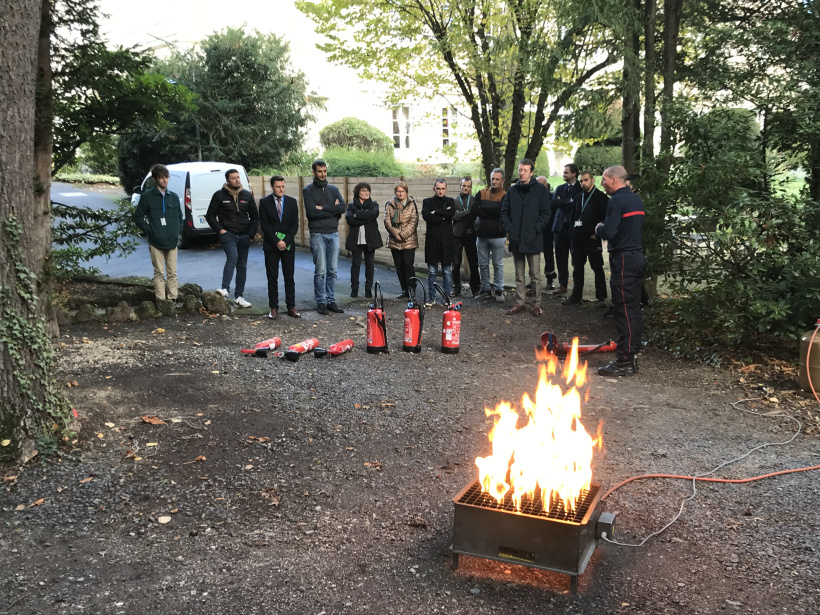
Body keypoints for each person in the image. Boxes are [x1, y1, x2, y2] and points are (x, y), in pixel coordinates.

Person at [595, 165, 646, 376]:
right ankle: (632, 355)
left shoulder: (615, 201)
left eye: (604, 180)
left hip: (623, 258)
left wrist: (599, 228)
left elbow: (610, 231)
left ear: (614, 180)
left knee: (623, 309)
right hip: (637, 256)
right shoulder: (636, 199)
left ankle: (624, 360)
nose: (602, 183)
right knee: (633, 308)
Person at [501, 159, 551, 317]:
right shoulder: (512, 190)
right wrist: (510, 228)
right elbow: (504, 211)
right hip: (517, 237)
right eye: (520, 170)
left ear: (531, 172)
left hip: (533, 238)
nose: (521, 173)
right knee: (519, 273)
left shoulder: (540, 191)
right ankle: (520, 302)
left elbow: (545, 213)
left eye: (525, 170)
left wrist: (536, 228)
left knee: (535, 275)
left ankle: (537, 304)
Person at [206, 168, 258, 308]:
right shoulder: (219, 195)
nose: (237, 180)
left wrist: (251, 234)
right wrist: (220, 230)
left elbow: (255, 217)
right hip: (228, 234)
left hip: (244, 235)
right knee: (232, 257)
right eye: (233, 178)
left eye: (238, 177)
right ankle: (225, 289)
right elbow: (210, 215)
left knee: (242, 266)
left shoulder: (247, 196)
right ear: (227, 180)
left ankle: (239, 296)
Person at [133, 164, 183, 303]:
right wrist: (150, 230)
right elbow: (138, 217)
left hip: (172, 241)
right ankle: (160, 300)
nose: (165, 180)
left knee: (172, 272)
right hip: (155, 241)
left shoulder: (173, 197)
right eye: (161, 178)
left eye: (166, 177)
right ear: (155, 179)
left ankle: (173, 298)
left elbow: (180, 217)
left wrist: (178, 231)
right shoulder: (147, 196)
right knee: (159, 272)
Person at [303, 159, 346, 315]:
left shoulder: (333, 189)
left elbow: (342, 207)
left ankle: (331, 301)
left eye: (325, 171)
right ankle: (321, 302)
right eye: (319, 171)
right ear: (314, 172)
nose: (323, 174)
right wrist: (332, 210)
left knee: (333, 270)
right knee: (320, 270)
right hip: (317, 234)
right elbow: (311, 213)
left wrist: (323, 208)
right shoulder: (307, 190)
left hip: (333, 233)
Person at [562, 171, 609, 307]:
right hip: (577, 239)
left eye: (586, 180)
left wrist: (597, 234)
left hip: (592, 238)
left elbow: (605, 218)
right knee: (577, 268)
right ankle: (576, 296)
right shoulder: (578, 197)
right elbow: (572, 217)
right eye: (581, 181)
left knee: (597, 267)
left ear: (592, 180)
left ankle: (601, 298)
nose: (583, 183)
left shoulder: (601, 198)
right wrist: (572, 232)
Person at [258, 175, 300, 320]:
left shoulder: (292, 202)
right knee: (272, 278)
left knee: (289, 277)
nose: (281, 189)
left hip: (288, 246)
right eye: (278, 187)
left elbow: (295, 225)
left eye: (283, 186)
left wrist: (285, 241)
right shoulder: (264, 202)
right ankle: (274, 308)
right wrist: (277, 241)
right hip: (271, 245)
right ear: (272, 187)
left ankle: (291, 307)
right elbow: (264, 225)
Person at [470, 168, 507, 302]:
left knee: (498, 264)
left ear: (502, 180)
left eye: (497, 179)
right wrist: (491, 211)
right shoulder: (481, 193)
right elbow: (474, 209)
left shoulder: (505, 195)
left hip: (498, 235)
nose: (494, 181)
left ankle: (498, 289)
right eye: (493, 179)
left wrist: (483, 209)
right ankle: (485, 289)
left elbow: (501, 211)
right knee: (483, 264)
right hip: (481, 235)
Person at [345, 182, 383, 299]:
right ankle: (354, 288)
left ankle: (368, 289)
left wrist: (358, 215)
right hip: (356, 240)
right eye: (363, 190)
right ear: (358, 192)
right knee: (355, 265)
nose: (366, 192)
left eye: (367, 190)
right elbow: (350, 219)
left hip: (370, 240)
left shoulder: (373, 204)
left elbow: (374, 213)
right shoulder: (351, 206)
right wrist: (367, 219)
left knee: (370, 265)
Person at [422, 179, 456, 303]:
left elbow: (450, 213)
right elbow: (427, 216)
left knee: (447, 271)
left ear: (446, 189)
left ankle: (446, 298)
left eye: (442, 188)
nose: (440, 191)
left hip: (447, 240)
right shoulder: (427, 202)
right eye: (438, 188)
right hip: (432, 240)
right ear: (434, 189)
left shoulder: (450, 201)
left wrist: (436, 212)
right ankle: (432, 298)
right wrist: (442, 216)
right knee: (432, 271)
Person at [384, 181, 419, 299]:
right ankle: (404, 290)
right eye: (398, 191)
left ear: (406, 192)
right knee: (399, 267)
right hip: (394, 241)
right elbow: (387, 221)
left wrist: (403, 235)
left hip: (409, 241)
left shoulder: (411, 203)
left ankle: (412, 291)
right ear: (395, 192)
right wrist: (395, 233)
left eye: (403, 191)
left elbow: (414, 221)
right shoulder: (390, 204)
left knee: (408, 265)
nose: (400, 193)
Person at [550, 164, 582, 295]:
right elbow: (554, 203)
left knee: (576, 258)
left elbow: (577, 204)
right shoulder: (560, 188)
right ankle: (563, 284)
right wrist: (568, 200)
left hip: (573, 227)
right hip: (559, 227)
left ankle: (577, 287)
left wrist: (562, 201)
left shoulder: (580, 188)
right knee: (560, 257)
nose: (563, 174)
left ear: (574, 174)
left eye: (566, 172)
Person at [452, 177, 480, 297]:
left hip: (471, 234)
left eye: (468, 186)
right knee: (456, 263)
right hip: (457, 235)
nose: (466, 188)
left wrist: (461, 214)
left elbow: (476, 215)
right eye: (464, 186)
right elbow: (454, 216)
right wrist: (469, 212)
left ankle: (475, 288)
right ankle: (456, 287)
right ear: (460, 186)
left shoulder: (474, 200)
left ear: (471, 188)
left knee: (473, 263)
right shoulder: (454, 201)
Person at [536, 175, 557, 291]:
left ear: (547, 185)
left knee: (548, 254)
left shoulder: (551, 198)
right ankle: (534, 279)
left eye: (542, 185)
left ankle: (550, 279)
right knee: (533, 255)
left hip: (548, 230)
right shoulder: (532, 197)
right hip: (535, 230)